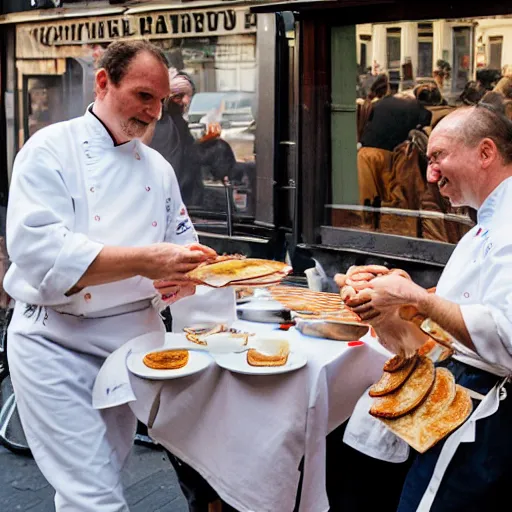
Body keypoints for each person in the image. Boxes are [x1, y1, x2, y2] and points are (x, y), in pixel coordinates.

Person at [4, 40, 217, 511]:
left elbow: (181, 243)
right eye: (144, 96)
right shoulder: (48, 150)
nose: (155, 112)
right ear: (104, 82)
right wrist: (145, 261)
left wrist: (189, 270)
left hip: (131, 342)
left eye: (161, 100)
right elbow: (40, 253)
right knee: (95, 495)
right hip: (55, 341)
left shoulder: (157, 168)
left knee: (100, 475)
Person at [334, 98, 512, 511]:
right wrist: (397, 293)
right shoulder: (485, 223)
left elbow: (505, 334)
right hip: (460, 407)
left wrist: (414, 299)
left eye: (438, 156)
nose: (430, 173)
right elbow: (460, 307)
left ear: (485, 152)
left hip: (485, 421)